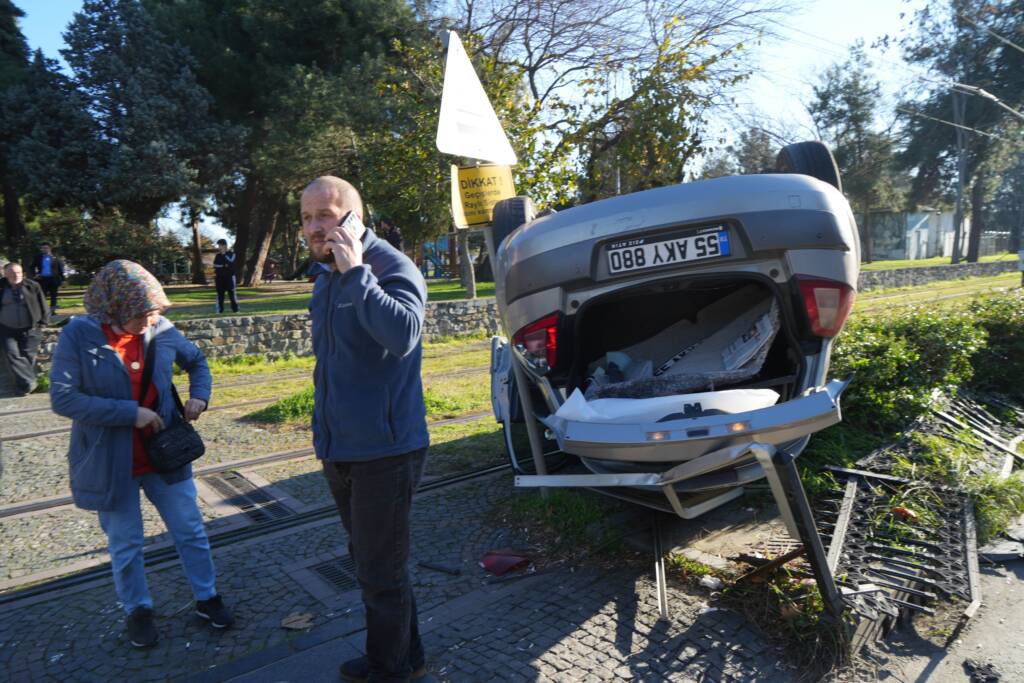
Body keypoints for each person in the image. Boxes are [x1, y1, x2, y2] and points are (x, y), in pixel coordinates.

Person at [49, 260, 233, 648]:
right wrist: (129, 414)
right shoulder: (79, 335)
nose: (149, 322)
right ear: (114, 309)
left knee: (190, 530)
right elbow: (64, 399)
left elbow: (197, 361)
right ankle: (138, 610)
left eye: (154, 313)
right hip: (110, 460)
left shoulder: (161, 330)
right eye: (141, 315)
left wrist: (200, 394)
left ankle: (207, 597)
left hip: (164, 455)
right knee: (126, 543)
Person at [301, 176, 429, 683]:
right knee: (375, 564)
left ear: (354, 217)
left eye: (326, 214)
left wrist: (357, 273)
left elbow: (403, 336)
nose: (315, 227)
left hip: (387, 451)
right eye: (307, 217)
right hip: (341, 448)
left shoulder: (391, 267)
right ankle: (407, 656)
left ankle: (389, 670)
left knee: (381, 573)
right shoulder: (325, 276)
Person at [0, 263, 48, 394]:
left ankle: (24, 387)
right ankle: (31, 381)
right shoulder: (1, 286)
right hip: (6, 328)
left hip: (30, 328)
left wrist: (43, 322)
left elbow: (42, 303)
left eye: (18, 273)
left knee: (27, 357)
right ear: (5, 274)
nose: (16, 276)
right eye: (12, 273)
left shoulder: (33, 286)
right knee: (12, 355)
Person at [30, 242, 65, 314]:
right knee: (42, 296)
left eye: (46, 248)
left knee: (53, 296)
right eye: (42, 248)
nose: (44, 249)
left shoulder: (55, 257)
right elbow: (32, 267)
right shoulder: (38, 257)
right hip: (42, 279)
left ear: (50, 248)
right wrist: (35, 274)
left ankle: (52, 311)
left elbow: (60, 269)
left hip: (53, 279)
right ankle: (43, 311)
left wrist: (63, 279)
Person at [212, 239, 239, 313]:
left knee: (232, 294)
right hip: (219, 278)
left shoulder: (232, 254)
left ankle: (235, 310)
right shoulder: (217, 255)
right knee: (220, 295)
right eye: (219, 246)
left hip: (230, 277)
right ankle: (220, 310)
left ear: (225, 246)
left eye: (220, 245)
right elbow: (215, 265)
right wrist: (224, 265)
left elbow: (231, 263)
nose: (219, 247)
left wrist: (224, 255)